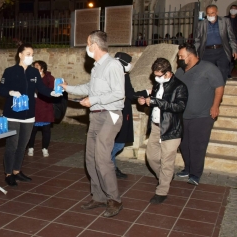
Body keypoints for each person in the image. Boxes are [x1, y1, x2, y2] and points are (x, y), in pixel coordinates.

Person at [61, 30, 125, 218]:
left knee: (102, 158)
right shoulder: (97, 67)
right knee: (90, 158)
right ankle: (98, 197)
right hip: (96, 117)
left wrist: (94, 99)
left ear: (94, 45)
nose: (86, 47)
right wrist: (67, 88)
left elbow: (119, 93)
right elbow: (88, 88)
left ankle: (115, 199)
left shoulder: (113, 65)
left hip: (111, 115)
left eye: (87, 43)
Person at [0, 43, 61, 186]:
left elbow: (42, 88)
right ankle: (8, 173)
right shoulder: (10, 71)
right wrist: (10, 92)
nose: (30, 57)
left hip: (29, 115)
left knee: (22, 145)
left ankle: (16, 171)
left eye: (32, 55)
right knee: (12, 145)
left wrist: (53, 92)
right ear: (20, 55)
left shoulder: (34, 72)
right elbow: (0, 89)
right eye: (28, 54)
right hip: (12, 114)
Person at [138, 58, 188, 204]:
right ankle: (165, 176)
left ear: (168, 73)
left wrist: (155, 102)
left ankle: (162, 191)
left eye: (159, 75)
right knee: (151, 157)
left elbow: (179, 107)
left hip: (171, 128)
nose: (156, 78)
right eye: (155, 75)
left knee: (167, 160)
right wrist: (146, 100)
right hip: (155, 126)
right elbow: (154, 100)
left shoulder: (180, 86)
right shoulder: (157, 84)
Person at [175, 43, 224, 185]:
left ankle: (195, 174)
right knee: (184, 144)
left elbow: (219, 88)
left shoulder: (208, 68)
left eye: (181, 56)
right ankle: (188, 168)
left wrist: (215, 106)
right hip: (183, 115)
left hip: (202, 115)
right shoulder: (180, 71)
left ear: (190, 56)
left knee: (197, 145)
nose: (179, 58)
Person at [112, 52, 149, 179]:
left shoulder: (121, 75)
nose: (131, 65)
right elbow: (130, 94)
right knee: (118, 143)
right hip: (119, 113)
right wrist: (146, 92)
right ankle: (109, 165)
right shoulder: (121, 76)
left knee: (115, 141)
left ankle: (111, 166)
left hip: (118, 112)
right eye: (129, 62)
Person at [194, 4, 237, 83]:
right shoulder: (201, 24)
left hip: (222, 51)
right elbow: (197, 40)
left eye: (212, 13)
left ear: (217, 12)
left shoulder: (225, 21)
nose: (210, 15)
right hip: (207, 52)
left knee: (223, 72)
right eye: (208, 13)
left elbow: (231, 37)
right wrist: (196, 52)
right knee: (207, 73)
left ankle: (220, 92)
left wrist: (234, 50)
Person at [27, 60, 55, 157]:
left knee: (46, 130)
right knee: (32, 130)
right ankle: (31, 148)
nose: (34, 67)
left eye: (37, 66)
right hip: (34, 107)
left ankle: (45, 149)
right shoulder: (31, 78)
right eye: (33, 66)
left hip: (46, 108)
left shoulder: (49, 78)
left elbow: (52, 89)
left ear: (42, 68)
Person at [225, 5, 237, 79]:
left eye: (235, 9)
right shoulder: (225, 19)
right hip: (225, 42)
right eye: (232, 9)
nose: (233, 10)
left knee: (233, 58)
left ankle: (229, 73)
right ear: (230, 10)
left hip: (235, 43)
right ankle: (224, 72)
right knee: (225, 58)